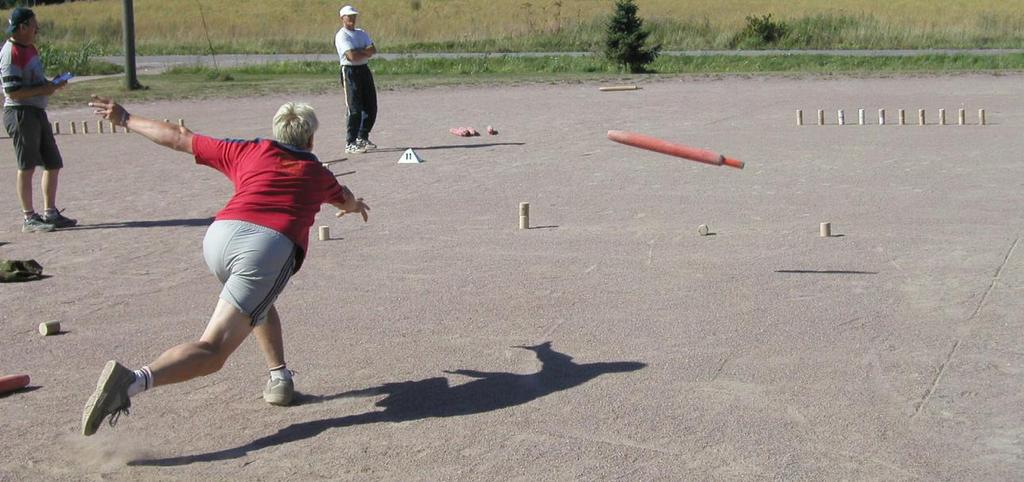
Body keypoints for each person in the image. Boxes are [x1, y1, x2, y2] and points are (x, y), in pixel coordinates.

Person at [80, 95, 370, 436]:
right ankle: (130, 383)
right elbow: (345, 198)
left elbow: (178, 136)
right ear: (310, 139)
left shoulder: (249, 150)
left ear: (277, 133)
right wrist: (354, 206)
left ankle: (280, 379)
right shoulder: (316, 173)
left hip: (220, 237)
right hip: (266, 248)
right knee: (214, 351)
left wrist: (126, 118)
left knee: (259, 303)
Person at [1, 7, 76, 232]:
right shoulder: (10, 52)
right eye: (35, 26)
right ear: (22, 27)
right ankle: (29, 218)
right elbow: (12, 91)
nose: (37, 30)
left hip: (37, 111)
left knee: (53, 163)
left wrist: (51, 85)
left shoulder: (30, 49)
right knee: (27, 166)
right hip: (20, 113)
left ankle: (50, 213)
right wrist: (43, 88)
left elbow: (35, 81)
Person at [335, 5, 378, 154]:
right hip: (350, 71)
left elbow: (373, 50)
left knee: (371, 106)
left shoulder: (361, 33)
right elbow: (351, 57)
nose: (352, 19)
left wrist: (360, 52)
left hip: (364, 70)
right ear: (342, 18)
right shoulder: (342, 35)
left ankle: (362, 137)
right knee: (354, 108)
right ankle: (350, 142)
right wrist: (363, 51)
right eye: (349, 16)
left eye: (353, 16)